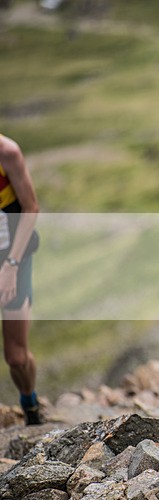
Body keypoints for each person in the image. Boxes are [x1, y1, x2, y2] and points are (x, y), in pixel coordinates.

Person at [0, 135, 42, 425]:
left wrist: (11, 266)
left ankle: (30, 405)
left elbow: (31, 207)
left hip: (13, 255)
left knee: (15, 356)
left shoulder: (7, 152)